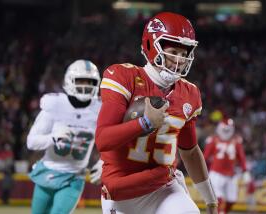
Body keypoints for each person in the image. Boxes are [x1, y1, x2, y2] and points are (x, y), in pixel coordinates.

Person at [96, 12, 218, 214]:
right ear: (152, 46)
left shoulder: (190, 93)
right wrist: (143, 123)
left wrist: (210, 199)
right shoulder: (124, 77)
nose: (179, 60)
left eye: (184, 53)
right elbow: (103, 140)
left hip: (163, 188)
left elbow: (190, 150)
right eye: (173, 51)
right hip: (122, 189)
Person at [27, 59, 103, 214]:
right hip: (48, 171)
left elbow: (114, 141)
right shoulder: (54, 105)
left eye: (90, 82)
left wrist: (105, 161)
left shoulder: (100, 109)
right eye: (81, 80)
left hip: (74, 177)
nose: (86, 86)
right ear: (70, 81)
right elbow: (31, 142)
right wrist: (53, 138)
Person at [203, 118, 251, 214]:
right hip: (216, 173)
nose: (226, 132)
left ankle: (223, 212)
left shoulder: (236, 141)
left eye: (228, 130)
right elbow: (204, 157)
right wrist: (200, 174)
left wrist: (245, 170)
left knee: (232, 199)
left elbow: (242, 157)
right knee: (218, 198)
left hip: (231, 174)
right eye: (224, 129)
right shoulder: (213, 140)